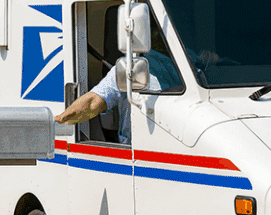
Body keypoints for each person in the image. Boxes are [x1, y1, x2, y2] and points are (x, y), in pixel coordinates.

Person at [54, 50, 182, 144]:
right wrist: (60, 119)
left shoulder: (130, 67)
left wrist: (58, 120)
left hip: (143, 150)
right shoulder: (188, 62)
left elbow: (92, 103)